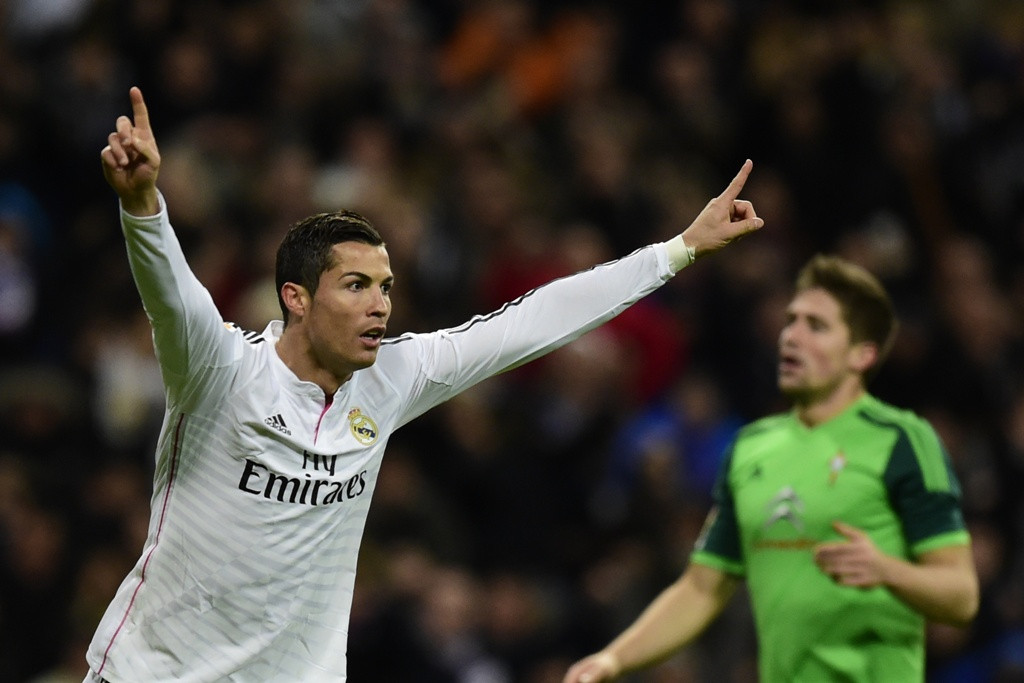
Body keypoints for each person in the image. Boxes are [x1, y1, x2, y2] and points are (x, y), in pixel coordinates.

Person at [85, 86, 762, 683]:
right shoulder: (220, 370)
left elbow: (534, 321)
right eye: (356, 286)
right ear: (295, 297)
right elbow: (171, 295)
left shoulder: (390, 379)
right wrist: (143, 203)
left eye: (385, 287)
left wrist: (678, 250)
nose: (381, 305)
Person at [564, 254, 979, 683]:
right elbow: (702, 588)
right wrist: (614, 659)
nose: (792, 337)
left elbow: (961, 597)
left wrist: (887, 570)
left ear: (862, 354)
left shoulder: (904, 441)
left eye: (815, 326)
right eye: (791, 321)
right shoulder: (752, 447)